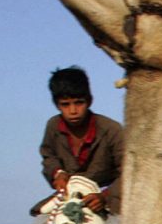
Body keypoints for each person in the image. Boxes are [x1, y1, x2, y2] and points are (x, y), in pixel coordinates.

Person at [39, 65, 125, 213]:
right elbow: (48, 156)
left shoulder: (112, 130)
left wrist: (104, 196)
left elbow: (128, 172)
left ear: (90, 101)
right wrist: (57, 173)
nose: (73, 111)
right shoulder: (53, 126)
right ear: (56, 104)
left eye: (79, 103)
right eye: (65, 105)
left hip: (106, 203)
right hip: (67, 199)